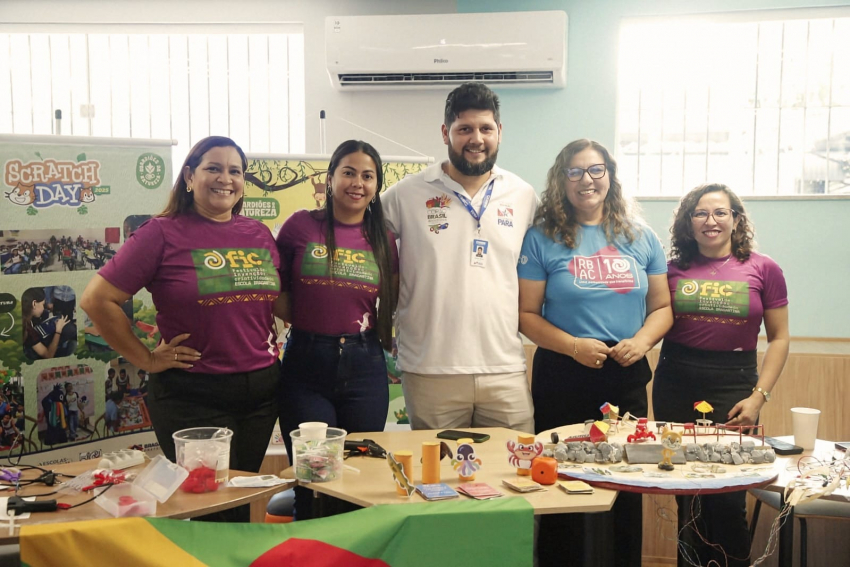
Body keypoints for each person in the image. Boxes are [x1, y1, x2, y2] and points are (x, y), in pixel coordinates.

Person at [80, 136, 282, 516]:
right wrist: (146, 359)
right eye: (213, 168)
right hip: (193, 395)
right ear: (189, 176)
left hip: (261, 393)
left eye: (235, 171)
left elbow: (279, 301)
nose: (225, 179)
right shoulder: (161, 232)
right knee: (211, 508)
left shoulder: (258, 234)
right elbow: (96, 299)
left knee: (238, 500)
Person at [517, 139, 673, 566]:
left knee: (625, 480)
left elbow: (662, 307)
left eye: (595, 170)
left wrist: (642, 342)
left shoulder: (641, 237)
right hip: (563, 373)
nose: (586, 180)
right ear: (561, 180)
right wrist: (573, 347)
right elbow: (526, 315)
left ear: (610, 176)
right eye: (575, 171)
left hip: (625, 373)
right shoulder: (541, 238)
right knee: (560, 480)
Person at [382, 82, 538, 433]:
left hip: (504, 369)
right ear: (445, 133)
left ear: (499, 132)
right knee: (437, 468)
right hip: (430, 370)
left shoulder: (523, 195)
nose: (476, 139)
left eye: (486, 129)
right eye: (464, 129)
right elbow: (357, 235)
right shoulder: (407, 193)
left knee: (516, 465)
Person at [652, 183, 790, 567]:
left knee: (729, 495)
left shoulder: (764, 268)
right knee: (687, 495)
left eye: (720, 212)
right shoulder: (669, 270)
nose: (710, 221)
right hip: (675, 381)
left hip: (735, 384)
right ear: (688, 222)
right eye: (700, 213)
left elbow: (779, 338)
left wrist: (759, 396)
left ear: (736, 219)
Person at [275, 140, 398, 519]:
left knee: (359, 481)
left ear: (376, 186)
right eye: (348, 172)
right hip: (307, 365)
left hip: (365, 365)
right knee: (311, 481)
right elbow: (276, 290)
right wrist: (312, 320)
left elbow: (392, 297)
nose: (357, 183)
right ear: (330, 179)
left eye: (367, 176)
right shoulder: (300, 226)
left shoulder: (383, 237)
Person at [22, 288, 76, 360]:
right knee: (70, 331)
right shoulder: (28, 330)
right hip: (32, 353)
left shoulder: (25, 318)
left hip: (36, 338)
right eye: (43, 304)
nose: (43, 308)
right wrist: (58, 331)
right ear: (34, 304)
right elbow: (48, 355)